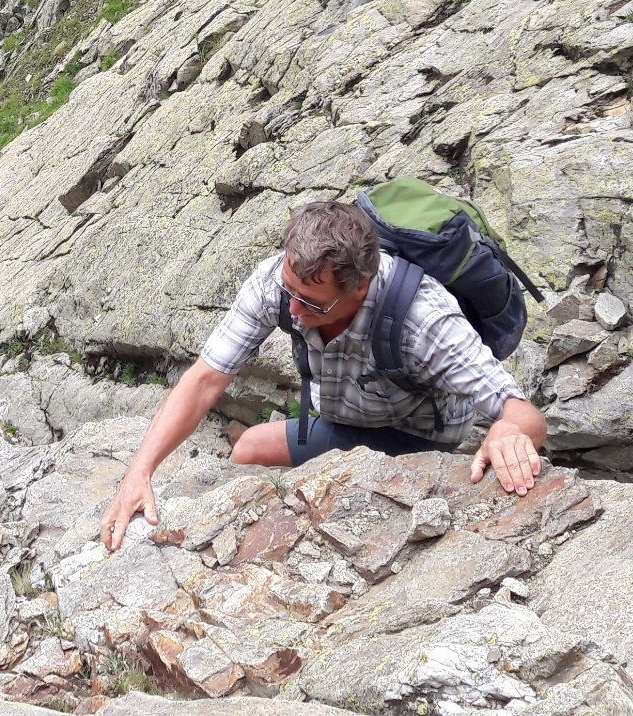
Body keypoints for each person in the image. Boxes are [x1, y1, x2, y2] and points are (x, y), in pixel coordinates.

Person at [100, 199, 548, 550]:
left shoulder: (423, 316)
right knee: (249, 447)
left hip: (417, 437)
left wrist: (508, 432)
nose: (293, 311)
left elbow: (524, 413)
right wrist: (139, 471)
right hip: (348, 416)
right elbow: (203, 380)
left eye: (313, 304)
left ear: (362, 285)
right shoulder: (277, 281)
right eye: (289, 292)